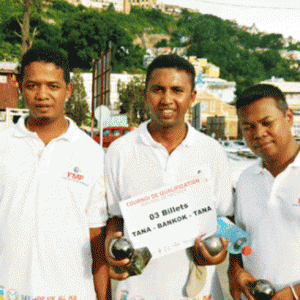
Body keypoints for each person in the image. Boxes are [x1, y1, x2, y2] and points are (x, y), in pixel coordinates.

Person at [104, 54, 233, 300]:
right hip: (137, 291)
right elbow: (115, 219)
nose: (167, 99)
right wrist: (112, 243)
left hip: (199, 293)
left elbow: (225, 218)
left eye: (177, 90)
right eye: (158, 90)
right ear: (145, 94)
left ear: (192, 97)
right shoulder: (120, 150)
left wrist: (220, 251)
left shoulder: (212, 151)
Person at [0, 47, 110, 300]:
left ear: (68, 90)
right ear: (19, 87)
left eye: (53, 86)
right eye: (32, 85)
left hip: (71, 294)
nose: (42, 95)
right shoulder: (2, 144)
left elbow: (97, 243)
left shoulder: (92, 154)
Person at [229, 83, 300, 300]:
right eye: (248, 127)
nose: (258, 133)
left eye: (266, 123)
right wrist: (235, 270)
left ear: (288, 117)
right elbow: (238, 237)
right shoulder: (245, 179)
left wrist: (293, 294)